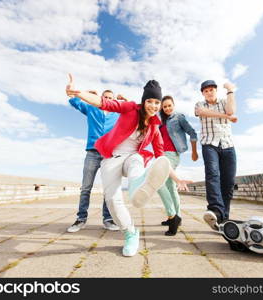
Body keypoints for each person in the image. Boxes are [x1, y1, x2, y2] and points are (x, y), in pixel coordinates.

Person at [66, 78, 191, 257]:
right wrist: (78, 92)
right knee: (112, 200)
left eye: (157, 102)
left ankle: (137, 189)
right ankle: (130, 232)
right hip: (111, 157)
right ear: (144, 101)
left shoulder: (155, 127)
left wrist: (177, 178)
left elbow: (161, 158)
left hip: (132, 158)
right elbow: (103, 102)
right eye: (150, 101)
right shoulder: (130, 108)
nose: (154, 106)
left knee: (136, 162)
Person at [66, 75, 123, 233]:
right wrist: (77, 91)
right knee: (86, 188)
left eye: (110, 98)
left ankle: (108, 219)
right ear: (100, 98)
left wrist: (124, 98)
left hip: (109, 155)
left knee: (108, 189)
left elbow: (134, 112)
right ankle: (81, 219)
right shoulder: (91, 108)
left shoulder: (117, 115)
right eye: (105, 97)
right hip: (92, 153)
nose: (107, 100)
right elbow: (74, 101)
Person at [194, 80, 238, 231]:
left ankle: (223, 219)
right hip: (209, 144)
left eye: (211, 90)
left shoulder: (224, 102)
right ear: (203, 93)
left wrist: (230, 90)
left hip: (228, 145)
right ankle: (215, 210)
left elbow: (231, 110)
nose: (209, 92)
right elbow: (203, 113)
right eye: (206, 91)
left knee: (229, 182)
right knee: (213, 175)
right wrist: (225, 117)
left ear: (216, 90)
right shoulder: (199, 104)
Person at [158, 95, 198, 236]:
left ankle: (172, 216)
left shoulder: (179, 117)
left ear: (173, 105)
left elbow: (192, 132)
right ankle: (177, 217)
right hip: (162, 155)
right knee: (170, 187)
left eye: (169, 105)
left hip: (172, 155)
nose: (167, 108)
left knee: (158, 183)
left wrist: (194, 151)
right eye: (165, 106)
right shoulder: (160, 120)